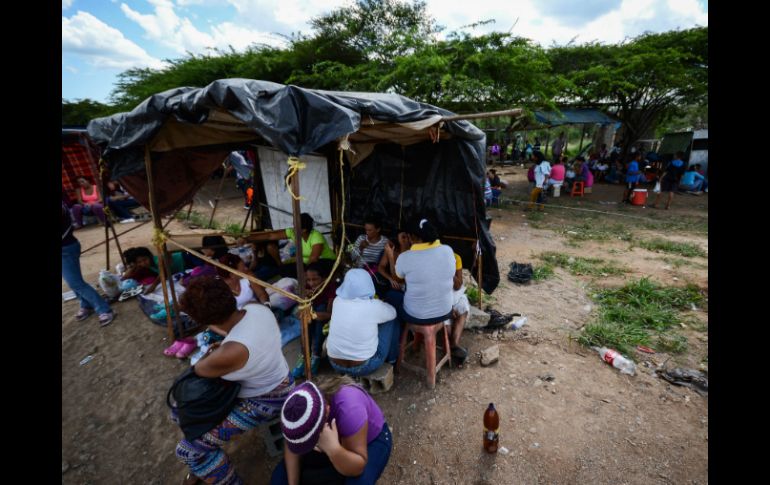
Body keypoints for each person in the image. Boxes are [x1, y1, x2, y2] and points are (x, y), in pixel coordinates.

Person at [174, 276, 294, 485]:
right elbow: (241, 336)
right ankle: (204, 461)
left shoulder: (230, 352)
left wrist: (215, 353)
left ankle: (224, 477)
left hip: (266, 401)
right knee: (179, 414)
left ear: (202, 320)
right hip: (282, 379)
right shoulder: (256, 308)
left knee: (187, 450)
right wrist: (223, 348)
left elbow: (199, 370)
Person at [270, 377, 392, 484]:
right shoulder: (298, 402)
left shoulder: (350, 409)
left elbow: (358, 466)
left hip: (370, 441)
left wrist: (333, 449)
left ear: (327, 412)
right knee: (279, 478)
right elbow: (292, 445)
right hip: (328, 436)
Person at [386, 218, 464, 360]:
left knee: (391, 296)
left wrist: (393, 256)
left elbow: (397, 279)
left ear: (411, 237)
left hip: (416, 315)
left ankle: (396, 349)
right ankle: (416, 342)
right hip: (444, 311)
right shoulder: (448, 251)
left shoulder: (406, 257)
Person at [327, 269, 400, 377]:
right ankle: (393, 360)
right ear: (368, 284)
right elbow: (393, 313)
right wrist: (380, 305)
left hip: (335, 365)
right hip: (364, 367)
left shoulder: (337, 301)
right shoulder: (373, 306)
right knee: (390, 320)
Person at [62, 203, 116, 326]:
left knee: (75, 282)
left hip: (66, 249)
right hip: (66, 248)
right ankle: (85, 304)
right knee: (72, 281)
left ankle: (104, 309)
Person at [291, 262, 336, 379]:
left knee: (319, 314)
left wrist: (313, 314)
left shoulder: (331, 287)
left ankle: (316, 355)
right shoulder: (306, 287)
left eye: (315, 279)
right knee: (304, 321)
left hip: (324, 319)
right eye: (309, 280)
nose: (311, 283)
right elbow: (300, 311)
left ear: (324, 278)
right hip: (313, 316)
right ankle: (304, 355)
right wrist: (306, 299)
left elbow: (330, 314)